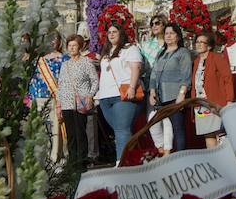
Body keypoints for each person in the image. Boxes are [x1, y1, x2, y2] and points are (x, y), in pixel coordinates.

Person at [96, 21, 143, 164]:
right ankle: (132, 160)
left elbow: (136, 68)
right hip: (105, 97)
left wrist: (132, 87)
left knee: (122, 130)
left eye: (114, 32)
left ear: (121, 34)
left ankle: (121, 163)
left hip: (122, 95)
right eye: (109, 32)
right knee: (118, 130)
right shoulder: (106, 51)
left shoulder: (130, 49)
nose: (111, 34)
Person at [149, 22, 192, 154]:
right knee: (159, 125)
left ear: (178, 36)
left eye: (171, 33)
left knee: (177, 128)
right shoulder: (161, 54)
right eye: (166, 33)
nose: (168, 36)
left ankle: (180, 157)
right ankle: (165, 153)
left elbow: (186, 74)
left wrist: (182, 93)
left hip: (175, 96)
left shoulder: (183, 52)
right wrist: (152, 92)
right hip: (161, 97)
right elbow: (154, 74)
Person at [57, 34, 98, 169]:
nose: (72, 48)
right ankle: (72, 161)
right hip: (67, 103)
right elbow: (60, 85)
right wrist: (59, 104)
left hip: (81, 101)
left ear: (80, 47)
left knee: (80, 132)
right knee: (70, 134)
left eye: (74, 45)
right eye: (69, 46)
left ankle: (82, 160)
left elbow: (94, 80)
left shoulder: (86, 62)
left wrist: (90, 95)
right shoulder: (65, 64)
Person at [190, 30, 232, 147]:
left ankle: (226, 160)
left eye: (201, 42)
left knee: (220, 134)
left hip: (215, 102)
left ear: (209, 46)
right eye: (196, 42)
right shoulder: (196, 61)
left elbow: (227, 79)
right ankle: (214, 160)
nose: (198, 44)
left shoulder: (217, 58)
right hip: (201, 105)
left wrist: (229, 100)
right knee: (208, 134)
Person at [30, 34, 67, 162]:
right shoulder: (38, 60)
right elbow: (33, 81)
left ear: (59, 41)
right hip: (39, 98)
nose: (52, 42)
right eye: (49, 39)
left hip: (56, 98)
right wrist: (31, 98)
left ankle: (55, 157)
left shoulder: (64, 58)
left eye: (54, 39)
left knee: (56, 129)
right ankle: (43, 157)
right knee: (41, 129)